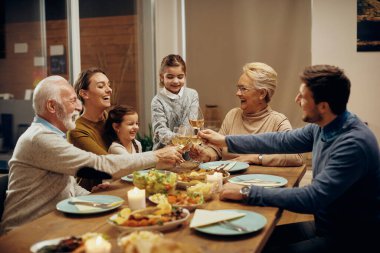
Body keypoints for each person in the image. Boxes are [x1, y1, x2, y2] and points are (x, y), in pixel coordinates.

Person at [198, 65, 380, 252]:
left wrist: (246, 192)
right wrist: (225, 140)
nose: (297, 100)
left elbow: (312, 197)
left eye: (303, 96)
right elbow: (280, 141)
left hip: (351, 240)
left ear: (323, 106)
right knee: (254, 239)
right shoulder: (323, 125)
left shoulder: (353, 143)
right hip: (325, 227)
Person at [0, 76, 183, 234]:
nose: (79, 107)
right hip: (26, 231)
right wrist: (157, 155)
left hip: (52, 223)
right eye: (72, 101)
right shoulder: (39, 138)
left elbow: (65, 184)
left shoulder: (52, 136)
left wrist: (89, 194)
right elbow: (98, 165)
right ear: (52, 106)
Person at [191, 62, 303, 166]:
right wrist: (207, 155)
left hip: (260, 183)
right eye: (238, 88)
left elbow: (296, 156)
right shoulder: (233, 115)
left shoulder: (278, 121)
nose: (237, 93)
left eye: (243, 89)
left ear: (262, 93)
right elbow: (218, 149)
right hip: (229, 182)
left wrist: (254, 158)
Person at [67, 67, 114, 190]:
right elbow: (109, 163)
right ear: (84, 93)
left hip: (115, 185)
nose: (109, 90)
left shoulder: (109, 119)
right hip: (91, 197)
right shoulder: (76, 130)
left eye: (109, 85)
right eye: (101, 86)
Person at [151, 54, 200, 150]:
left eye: (180, 77)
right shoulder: (157, 101)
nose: (176, 81)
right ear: (162, 77)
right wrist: (181, 139)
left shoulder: (192, 95)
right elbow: (161, 131)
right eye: (170, 77)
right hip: (165, 154)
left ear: (185, 76)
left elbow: (190, 124)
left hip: (189, 152)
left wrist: (182, 140)